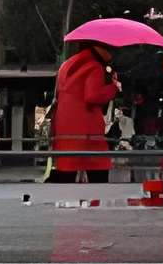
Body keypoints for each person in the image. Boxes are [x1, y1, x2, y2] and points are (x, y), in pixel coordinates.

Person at [48, 43, 119, 185]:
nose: (111, 54)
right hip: (87, 131)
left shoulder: (66, 65)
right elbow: (93, 96)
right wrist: (113, 87)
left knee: (66, 174)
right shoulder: (94, 67)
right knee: (98, 174)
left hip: (64, 131)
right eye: (109, 49)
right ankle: (95, 206)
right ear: (99, 48)